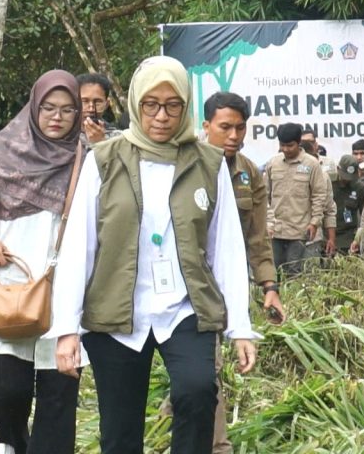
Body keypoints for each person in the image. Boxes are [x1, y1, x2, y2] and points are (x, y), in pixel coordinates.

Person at [51, 56, 258, 454]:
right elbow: (79, 246)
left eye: (172, 105)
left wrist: (241, 328)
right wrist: (66, 328)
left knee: (197, 391)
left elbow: (227, 249)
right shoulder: (104, 160)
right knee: (120, 431)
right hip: (116, 313)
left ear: (186, 106)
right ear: (135, 104)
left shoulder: (208, 163)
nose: (161, 116)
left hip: (184, 308)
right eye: (151, 104)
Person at [0, 69, 84, 454]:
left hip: (63, 289)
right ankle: (10, 446)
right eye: (48, 107)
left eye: (67, 109)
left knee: (59, 393)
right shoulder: (3, 149)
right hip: (9, 283)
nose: (57, 117)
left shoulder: (86, 158)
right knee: (10, 390)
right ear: (34, 107)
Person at [202, 92, 281, 454]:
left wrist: (269, 285)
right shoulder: (188, 162)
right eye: (225, 127)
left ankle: (209, 437)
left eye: (240, 128)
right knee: (204, 368)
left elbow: (257, 236)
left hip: (226, 285)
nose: (233, 135)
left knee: (208, 367)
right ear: (206, 126)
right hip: (188, 283)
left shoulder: (249, 173)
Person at [265, 122, 329, 276]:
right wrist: (267, 222)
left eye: (290, 145)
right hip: (275, 230)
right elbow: (264, 195)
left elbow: (319, 195)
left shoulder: (312, 164)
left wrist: (314, 222)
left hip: (300, 231)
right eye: (282, 145)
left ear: (299, 142)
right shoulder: (273, 163)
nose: (286, 149)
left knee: (295, 273)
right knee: (274, 272)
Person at [332, 155, 364, 254]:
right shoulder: (328, 183)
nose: (347, 180)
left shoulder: (361, 189)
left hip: (348, 237)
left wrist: (359, 238)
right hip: (328, 234)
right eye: (344, 176)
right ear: (338, 169)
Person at [76, 72, 119, 144]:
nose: (91, 109)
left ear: (106, 104)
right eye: (84, 101)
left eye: (97, 102)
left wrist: (101, 142)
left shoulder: (117, 138)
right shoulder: (63, 136)